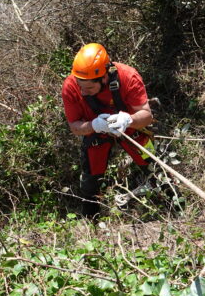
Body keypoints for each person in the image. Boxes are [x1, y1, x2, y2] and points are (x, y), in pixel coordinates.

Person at [61, 43, 155, 218]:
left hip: (129, 127)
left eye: (89, 88)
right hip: (95, 132)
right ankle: (91, 221)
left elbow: (147, 116)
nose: (83, 91)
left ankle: (172, 204)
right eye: (80, 85)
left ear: (104, 78)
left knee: (152, 164)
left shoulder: (128, 77)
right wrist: (94, 126)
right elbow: (74, 127)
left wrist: (129, 120)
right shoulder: (71, 87)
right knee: (91, 181)